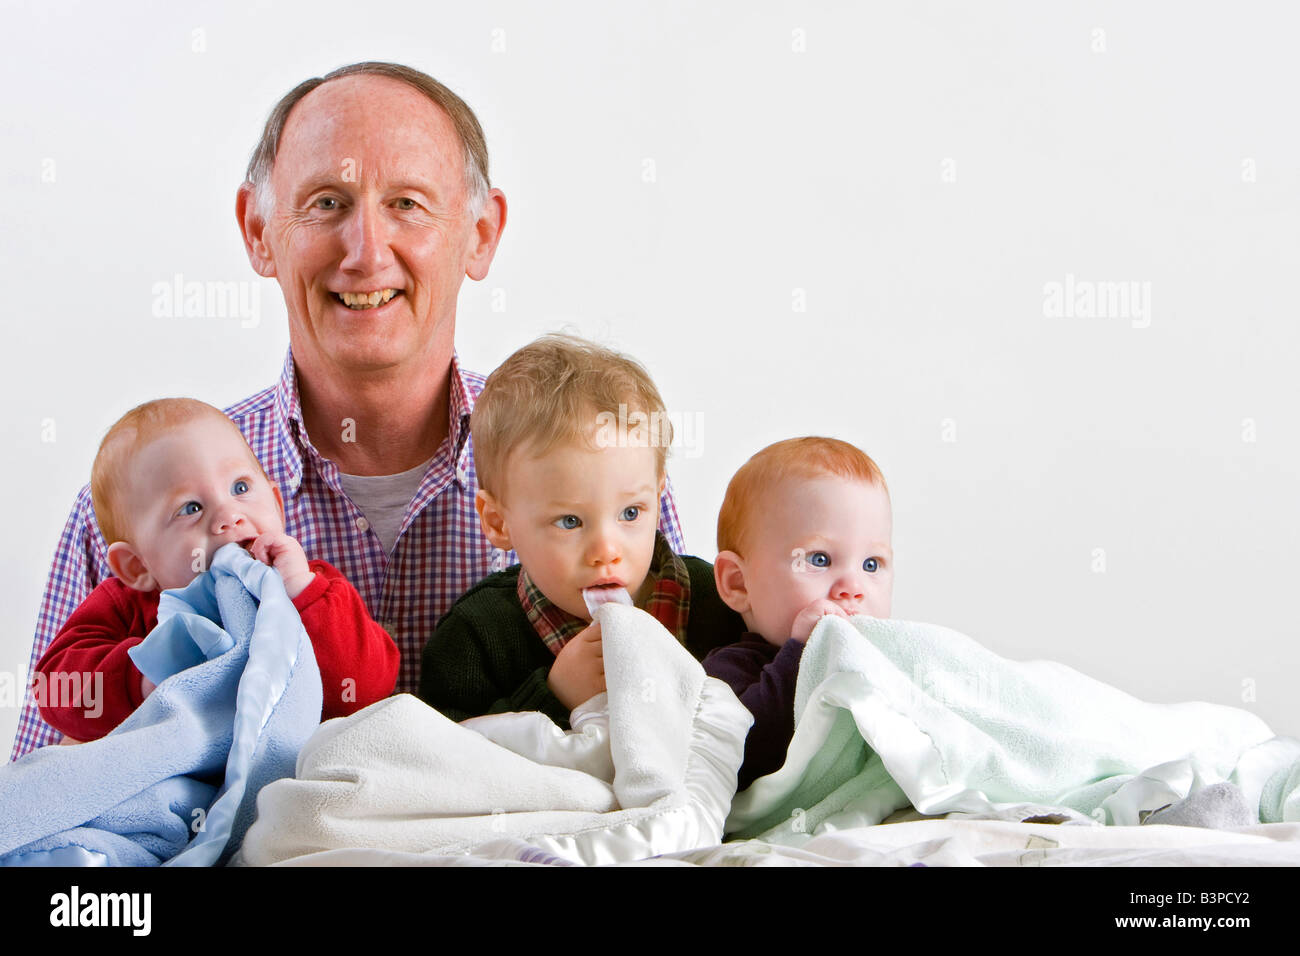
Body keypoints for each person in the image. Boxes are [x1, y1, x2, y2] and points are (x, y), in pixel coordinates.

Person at [11, 62, 686, 760]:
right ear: (259, 232)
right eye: (327, 203)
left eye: (408, 204)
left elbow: (676, 751)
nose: (366, 253)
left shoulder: (604, 462)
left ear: (480, 235)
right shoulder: (144, 494)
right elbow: (46, 807)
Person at [417, 334, 745, 727]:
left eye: (630, 512)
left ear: (658, 496)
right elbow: (444, 757)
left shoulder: (719, 602)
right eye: (570, 521)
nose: (606, 550)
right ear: (498, 522)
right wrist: (553, 697)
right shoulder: (476, 637)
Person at [34, 399, 399, 741]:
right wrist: (144, 679)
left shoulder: (312, 587)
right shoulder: (126, 605)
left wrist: (301, 594)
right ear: (137, 565)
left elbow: (366, 689)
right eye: (190, 508)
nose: (228, 516)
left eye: (240, 487)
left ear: (276, 504)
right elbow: (53, 686)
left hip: (287, 781)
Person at [702, 437, 893, 790]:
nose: (853, 587)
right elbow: (741, 756)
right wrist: (802, 654)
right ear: (739, 583)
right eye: (820, 559)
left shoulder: (887, 661)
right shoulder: (727, 674)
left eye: (871, 564)